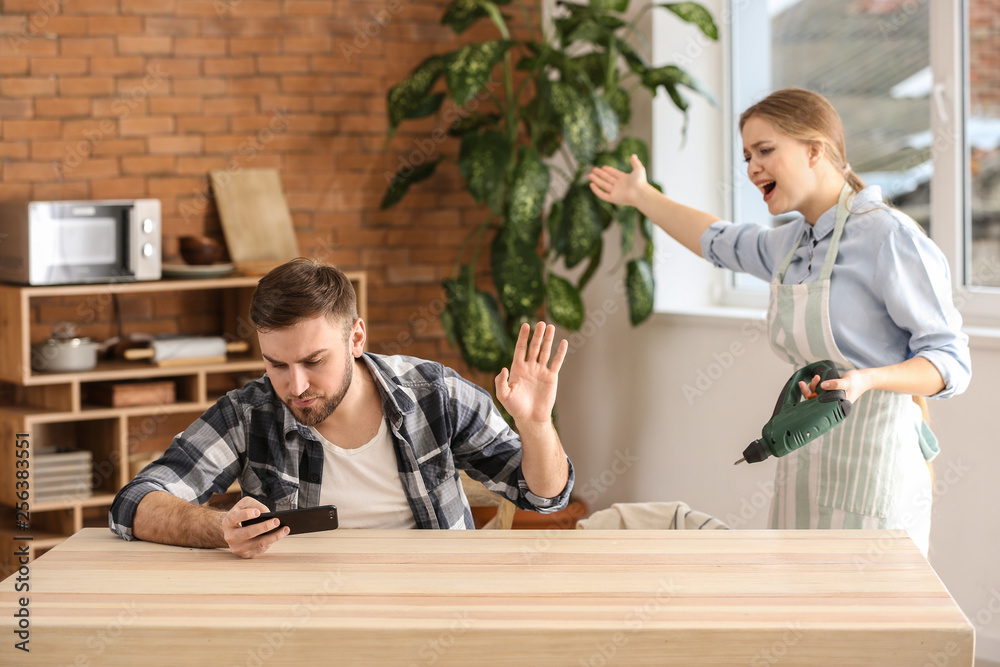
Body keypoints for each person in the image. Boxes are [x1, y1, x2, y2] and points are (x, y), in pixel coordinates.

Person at [588, 87, 971, 555]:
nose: (751, 168)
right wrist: (641, 196)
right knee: (801, 609)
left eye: (765, 150)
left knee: (863, 618)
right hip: (805, 464)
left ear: (816, 149)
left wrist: (865, 380)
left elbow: (950, 363)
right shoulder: (791, 244)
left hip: (876, 467)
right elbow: (717, 241)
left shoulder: (888, 237)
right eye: (747, 155)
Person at [109, 258, 574, 558]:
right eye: (277, 364)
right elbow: (133, 503)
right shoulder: (250, 413)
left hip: (434, 612)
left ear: (355, 337)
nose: (296, 385)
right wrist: (220, 528)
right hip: (303, 622)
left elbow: (545, 496)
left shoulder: (434, 394)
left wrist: (535, 426)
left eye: (314, 361)